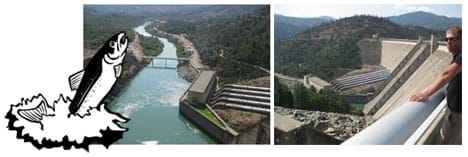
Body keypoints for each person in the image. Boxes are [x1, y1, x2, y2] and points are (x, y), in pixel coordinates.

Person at [409, 26, 461, 144]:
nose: (448, 42)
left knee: (448, 142)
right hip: (455, 109)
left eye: (452, 39)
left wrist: (426, 93)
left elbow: (446, 74)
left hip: (458, 112)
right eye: (446, 39)